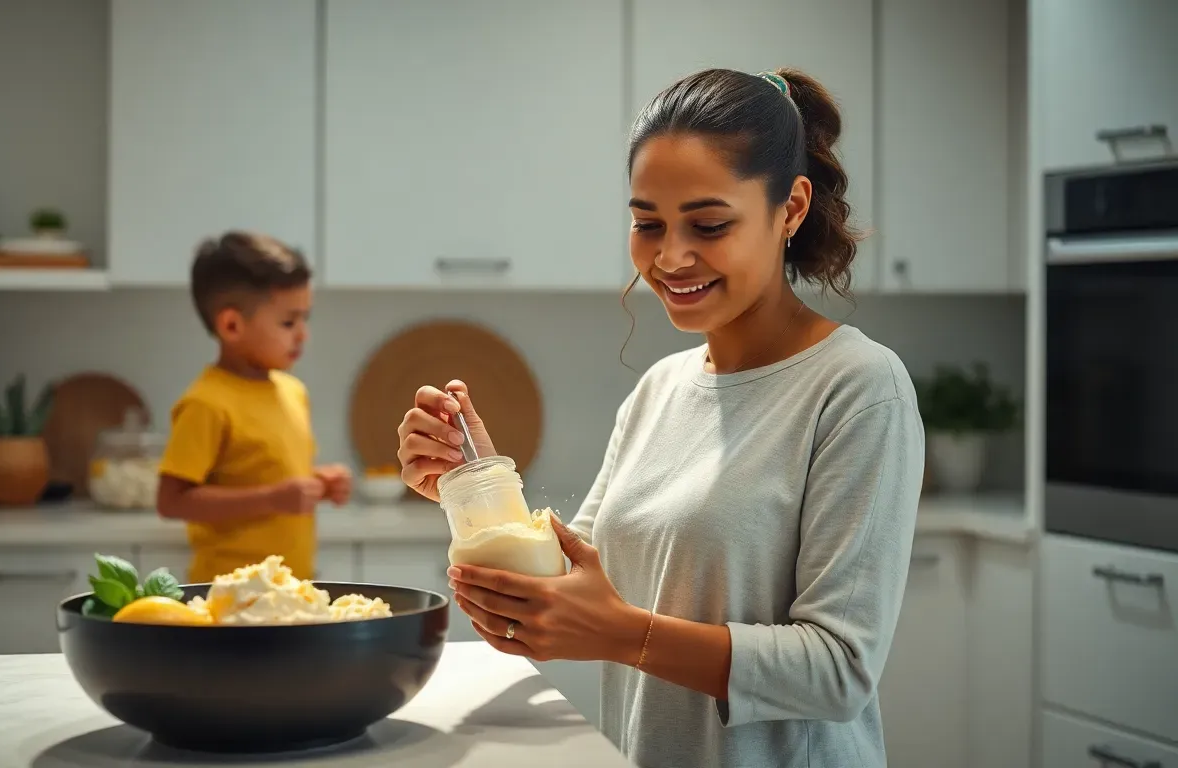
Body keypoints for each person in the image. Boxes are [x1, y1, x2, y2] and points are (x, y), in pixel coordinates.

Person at [396, 68, 924, 767]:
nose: (670, 257)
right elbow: (561, 595)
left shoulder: (858, 387)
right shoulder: (660, 388)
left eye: (708, 224)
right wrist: (475, 485)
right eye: (647, 223)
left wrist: (626, 637)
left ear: (791, 208)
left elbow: (839, 671)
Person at [157, 231, 352, 584]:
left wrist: (318, 484)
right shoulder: (206, 402)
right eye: (289, 322)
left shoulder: (293, 392)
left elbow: (271, 474)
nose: (303, 334)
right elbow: (172, 501)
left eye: (305, 319)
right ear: (232, 325)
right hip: (229, 597)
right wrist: (272, 498)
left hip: (292, 590)